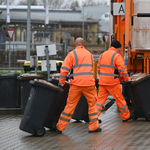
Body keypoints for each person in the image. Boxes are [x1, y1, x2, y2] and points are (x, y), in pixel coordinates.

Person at [53, 37, 101, 134]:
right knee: (92, 105)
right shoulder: (90, 55)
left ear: (75, 44)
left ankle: (60, 127)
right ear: (83, 44)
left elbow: (64, 69)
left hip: (76, 84)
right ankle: (93, 127)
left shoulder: (72, 54)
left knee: (70, 106)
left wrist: (61, 82)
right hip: (89, 84)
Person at [96, 40, 132, 122]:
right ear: (118, 48)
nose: (120, 50)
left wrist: (103, 77)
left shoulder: (102, 55)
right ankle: (125, 117)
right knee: (119, 99)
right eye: (120, 48)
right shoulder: (117, 56)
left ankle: (93, 118)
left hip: (103, 82)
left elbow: (98, 69)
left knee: (99, 101)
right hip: (112, 82)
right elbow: (122, 69)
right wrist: (127, 79)